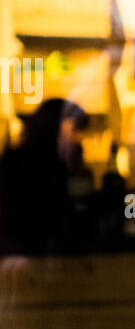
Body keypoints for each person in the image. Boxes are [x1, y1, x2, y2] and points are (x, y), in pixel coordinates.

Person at [0, 97, 89, 254]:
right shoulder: (57, 164)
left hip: (22, 247)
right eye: (74, 129)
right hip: (38, 247)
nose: (77, 138)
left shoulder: (16, 159)